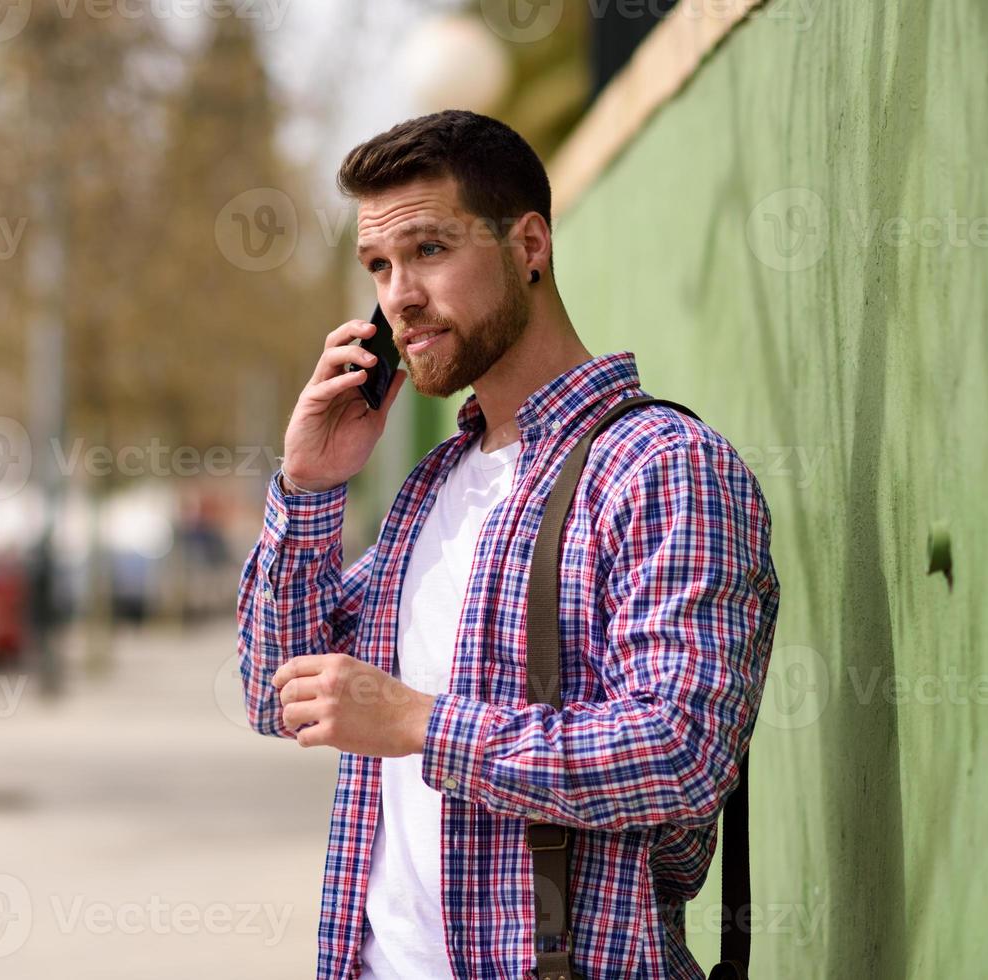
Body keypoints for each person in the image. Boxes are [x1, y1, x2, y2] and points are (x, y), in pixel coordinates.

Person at [236, 109, 780, 980]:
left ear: (528, 245)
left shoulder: (660, 468)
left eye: (429, 251)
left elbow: (678, 752)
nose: (398, 295)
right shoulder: (431, 488)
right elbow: (279, 695)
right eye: (378, 265)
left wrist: (418, 722)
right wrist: (308, 489)